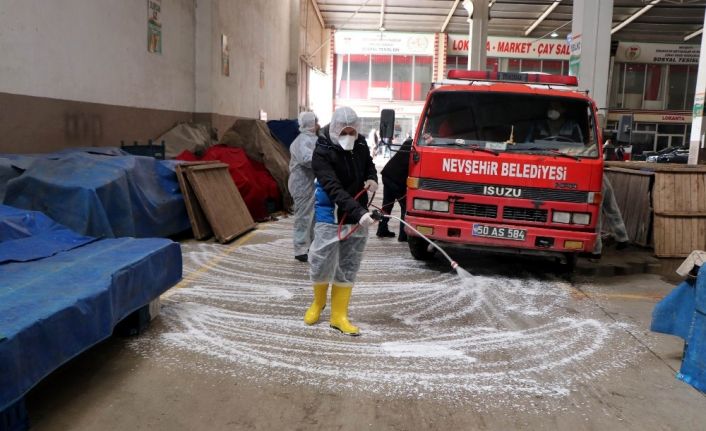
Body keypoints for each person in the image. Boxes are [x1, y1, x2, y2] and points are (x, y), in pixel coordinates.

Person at [305, 107, 378, 336]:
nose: (349, 135)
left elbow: (369, 165)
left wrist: (372, 178)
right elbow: (334, 189)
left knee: (348, 265)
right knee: (321, 262)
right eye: (344, 131)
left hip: (357, 213)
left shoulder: (361, 143)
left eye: (352, 131)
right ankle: (318, 303)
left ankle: (338, 316)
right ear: (335, 129)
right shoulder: (322, 152)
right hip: (331, 215)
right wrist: (359, 212)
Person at [287, 111, 319, 262]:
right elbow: (307, 159)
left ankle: (312, 245)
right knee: (303, 217)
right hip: (301, 185)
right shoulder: (302, 141)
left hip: (309, 184)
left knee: (312, 217)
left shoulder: (312, 139)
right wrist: (324, 159)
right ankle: (299, 249)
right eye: (315, 122)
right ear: (310, 123)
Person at [377, 138, 411, 241]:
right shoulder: (415, 145)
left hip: (387, 175)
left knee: (387, 205)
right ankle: (403, 236)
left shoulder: (410, 142)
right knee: (405, 206)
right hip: (396, 179)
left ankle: (381, 230)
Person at [593, 175, 629, 256]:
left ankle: (595, 250)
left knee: (594, 216)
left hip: (592, 178)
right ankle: (622, 238)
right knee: (611, 209)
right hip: (601, 176)